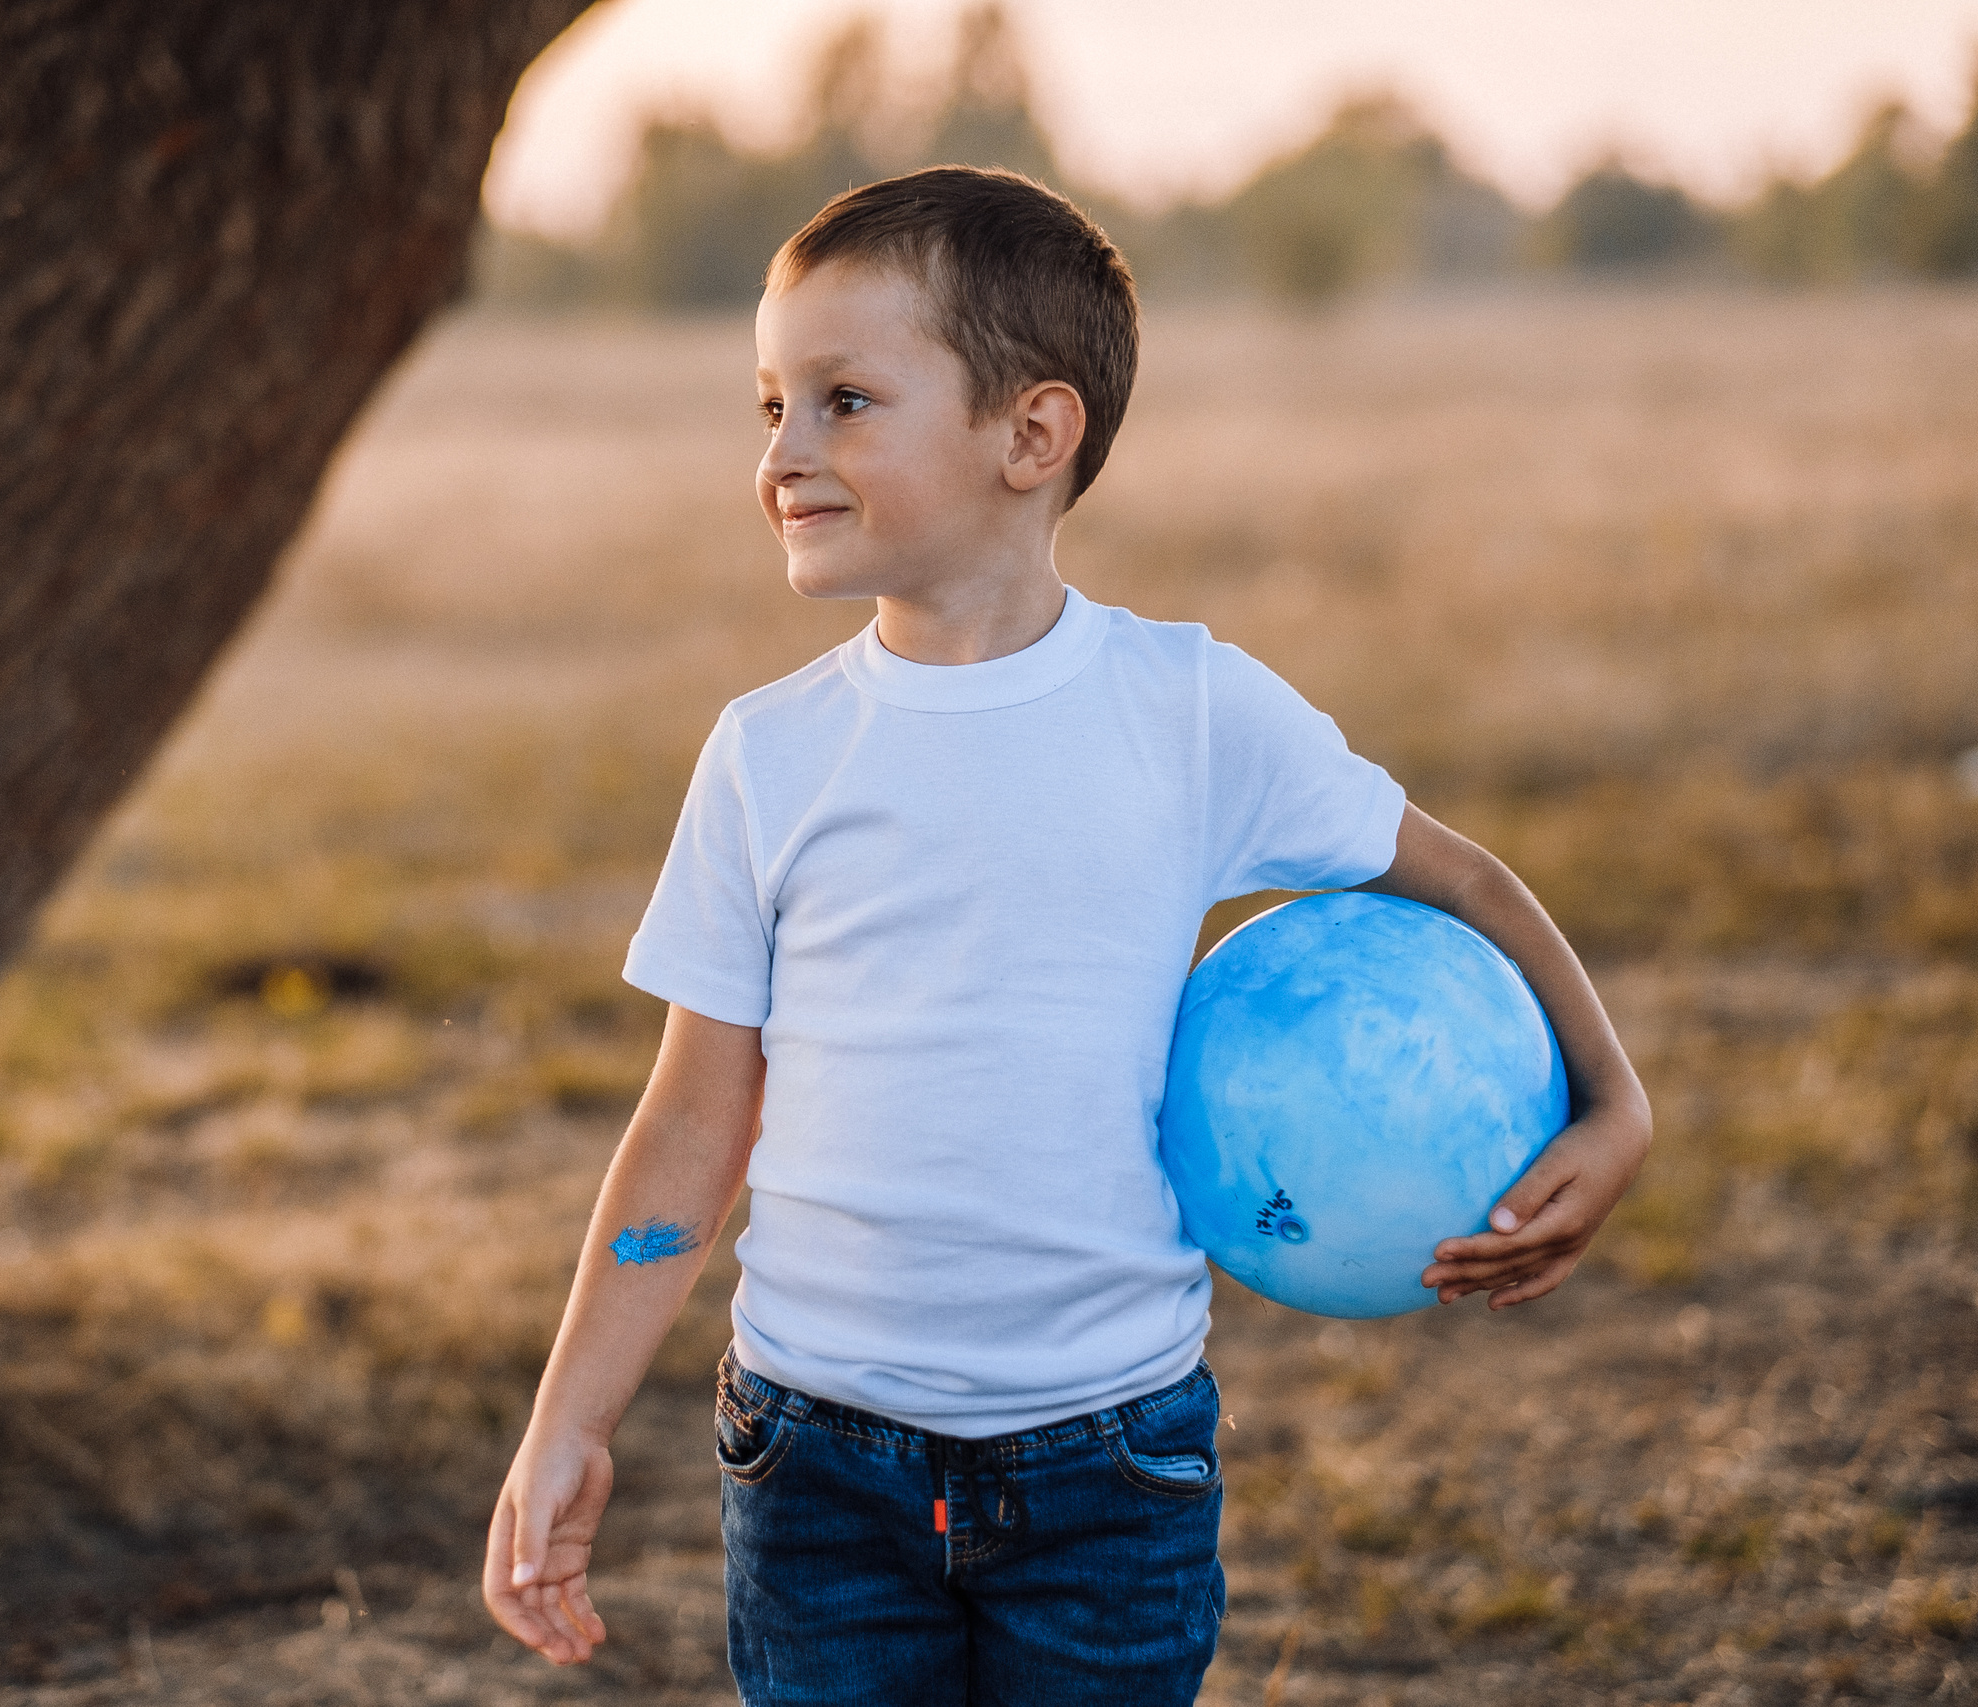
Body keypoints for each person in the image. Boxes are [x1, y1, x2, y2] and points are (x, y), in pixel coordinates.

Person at [480, 166, 1651, 1703]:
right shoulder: (768, 755)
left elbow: (1466, 884)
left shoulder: (1191, 711)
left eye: (842, 401)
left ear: (1031, 436)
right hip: (814, 1463)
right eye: (767, 404)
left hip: (1112, 1469)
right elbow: (694, 1114)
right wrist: (568, 1416)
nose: (782, 453)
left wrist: (1616, 1099)